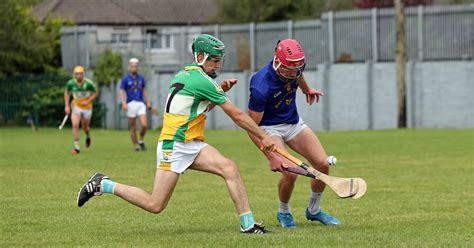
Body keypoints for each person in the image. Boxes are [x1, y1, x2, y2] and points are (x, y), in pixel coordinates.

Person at [77, 34, 276, 234]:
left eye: (219, 61)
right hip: (174, 145)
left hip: (191, 143)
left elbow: (196, 111)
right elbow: (237, 115)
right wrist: (263, 136)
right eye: (214, 61)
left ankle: (248, 225)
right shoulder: (202, 81)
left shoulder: (185, 75)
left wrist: (219, 91)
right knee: (155, 204)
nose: (218, 66)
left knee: (230, 168)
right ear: (200, 57)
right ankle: (102, 184)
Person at [247, 39, 341, 228]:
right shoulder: (261, 85)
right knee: (290, 172)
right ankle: (284, 212)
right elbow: (251, 127)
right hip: (268, 129)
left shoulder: (294, 70)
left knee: (322, 164)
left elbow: (298, 76)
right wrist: (270, 155)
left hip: (293, 124)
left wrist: (307, 89)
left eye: (296, 70)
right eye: (289, 71)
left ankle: (314, 211)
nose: (293, 74)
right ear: (278, 62)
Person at [64, 66, 99, 155]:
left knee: (85, 128)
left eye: (80, 74)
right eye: (77, 74)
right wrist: (67, 106)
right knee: (75, 125)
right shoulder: (71, 83)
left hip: (87, 107)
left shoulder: (88, 83)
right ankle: (77, 148)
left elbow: (95, 93)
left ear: (83, 74)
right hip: (76, 105)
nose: (79, 76)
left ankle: (88, 135)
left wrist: (87, 101)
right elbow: (67, 93)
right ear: (74, 75)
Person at [120, 58, 152, 151]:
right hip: (130, 104)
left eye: (135, 66)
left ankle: (141, 140)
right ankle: (136, 145)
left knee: (144, 125)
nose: (134, 68)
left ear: (138, 67)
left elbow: (144, 90)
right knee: (133, 127)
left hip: (140, 103)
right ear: (129, 67)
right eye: (132, 66)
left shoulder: (141, 78)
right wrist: (123, 103)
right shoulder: (125, 79)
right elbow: (121, 91)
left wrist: (148, 101)